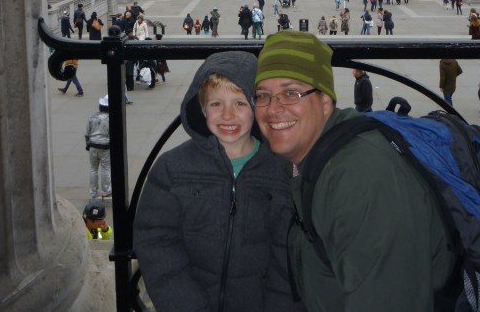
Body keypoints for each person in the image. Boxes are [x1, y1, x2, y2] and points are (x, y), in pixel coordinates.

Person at [253, 31, 457, 312]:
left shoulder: (361, 178)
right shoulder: (314, 158)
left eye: (291, 93)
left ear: (325, 102)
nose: (272, 109)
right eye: (263, 96)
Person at [133, 52, 301, 312]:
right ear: (201, 108)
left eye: (240, 103)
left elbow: (288, 255)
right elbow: (155, 241)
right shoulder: (172, 169)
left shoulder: (281, 172)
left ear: (257, 108)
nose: (227, 115)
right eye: (216, 104)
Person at [85, 95, 111, 198]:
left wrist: (87, 144)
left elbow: (87, 133)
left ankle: (93, 192)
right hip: (104, 146)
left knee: (93, 169)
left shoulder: (92, 117)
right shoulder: (109, 119)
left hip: (93, 145)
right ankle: (106, 190)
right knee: (105, 168)